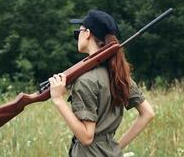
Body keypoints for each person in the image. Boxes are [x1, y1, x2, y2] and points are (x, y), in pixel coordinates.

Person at [48, 10, 155, 157]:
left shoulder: (85, 80)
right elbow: (148, 113)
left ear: (87, 33)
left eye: (77, 32)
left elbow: (86, 137)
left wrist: (58, 100)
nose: (77, 36)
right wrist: (116, 147)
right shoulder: (119, 75)